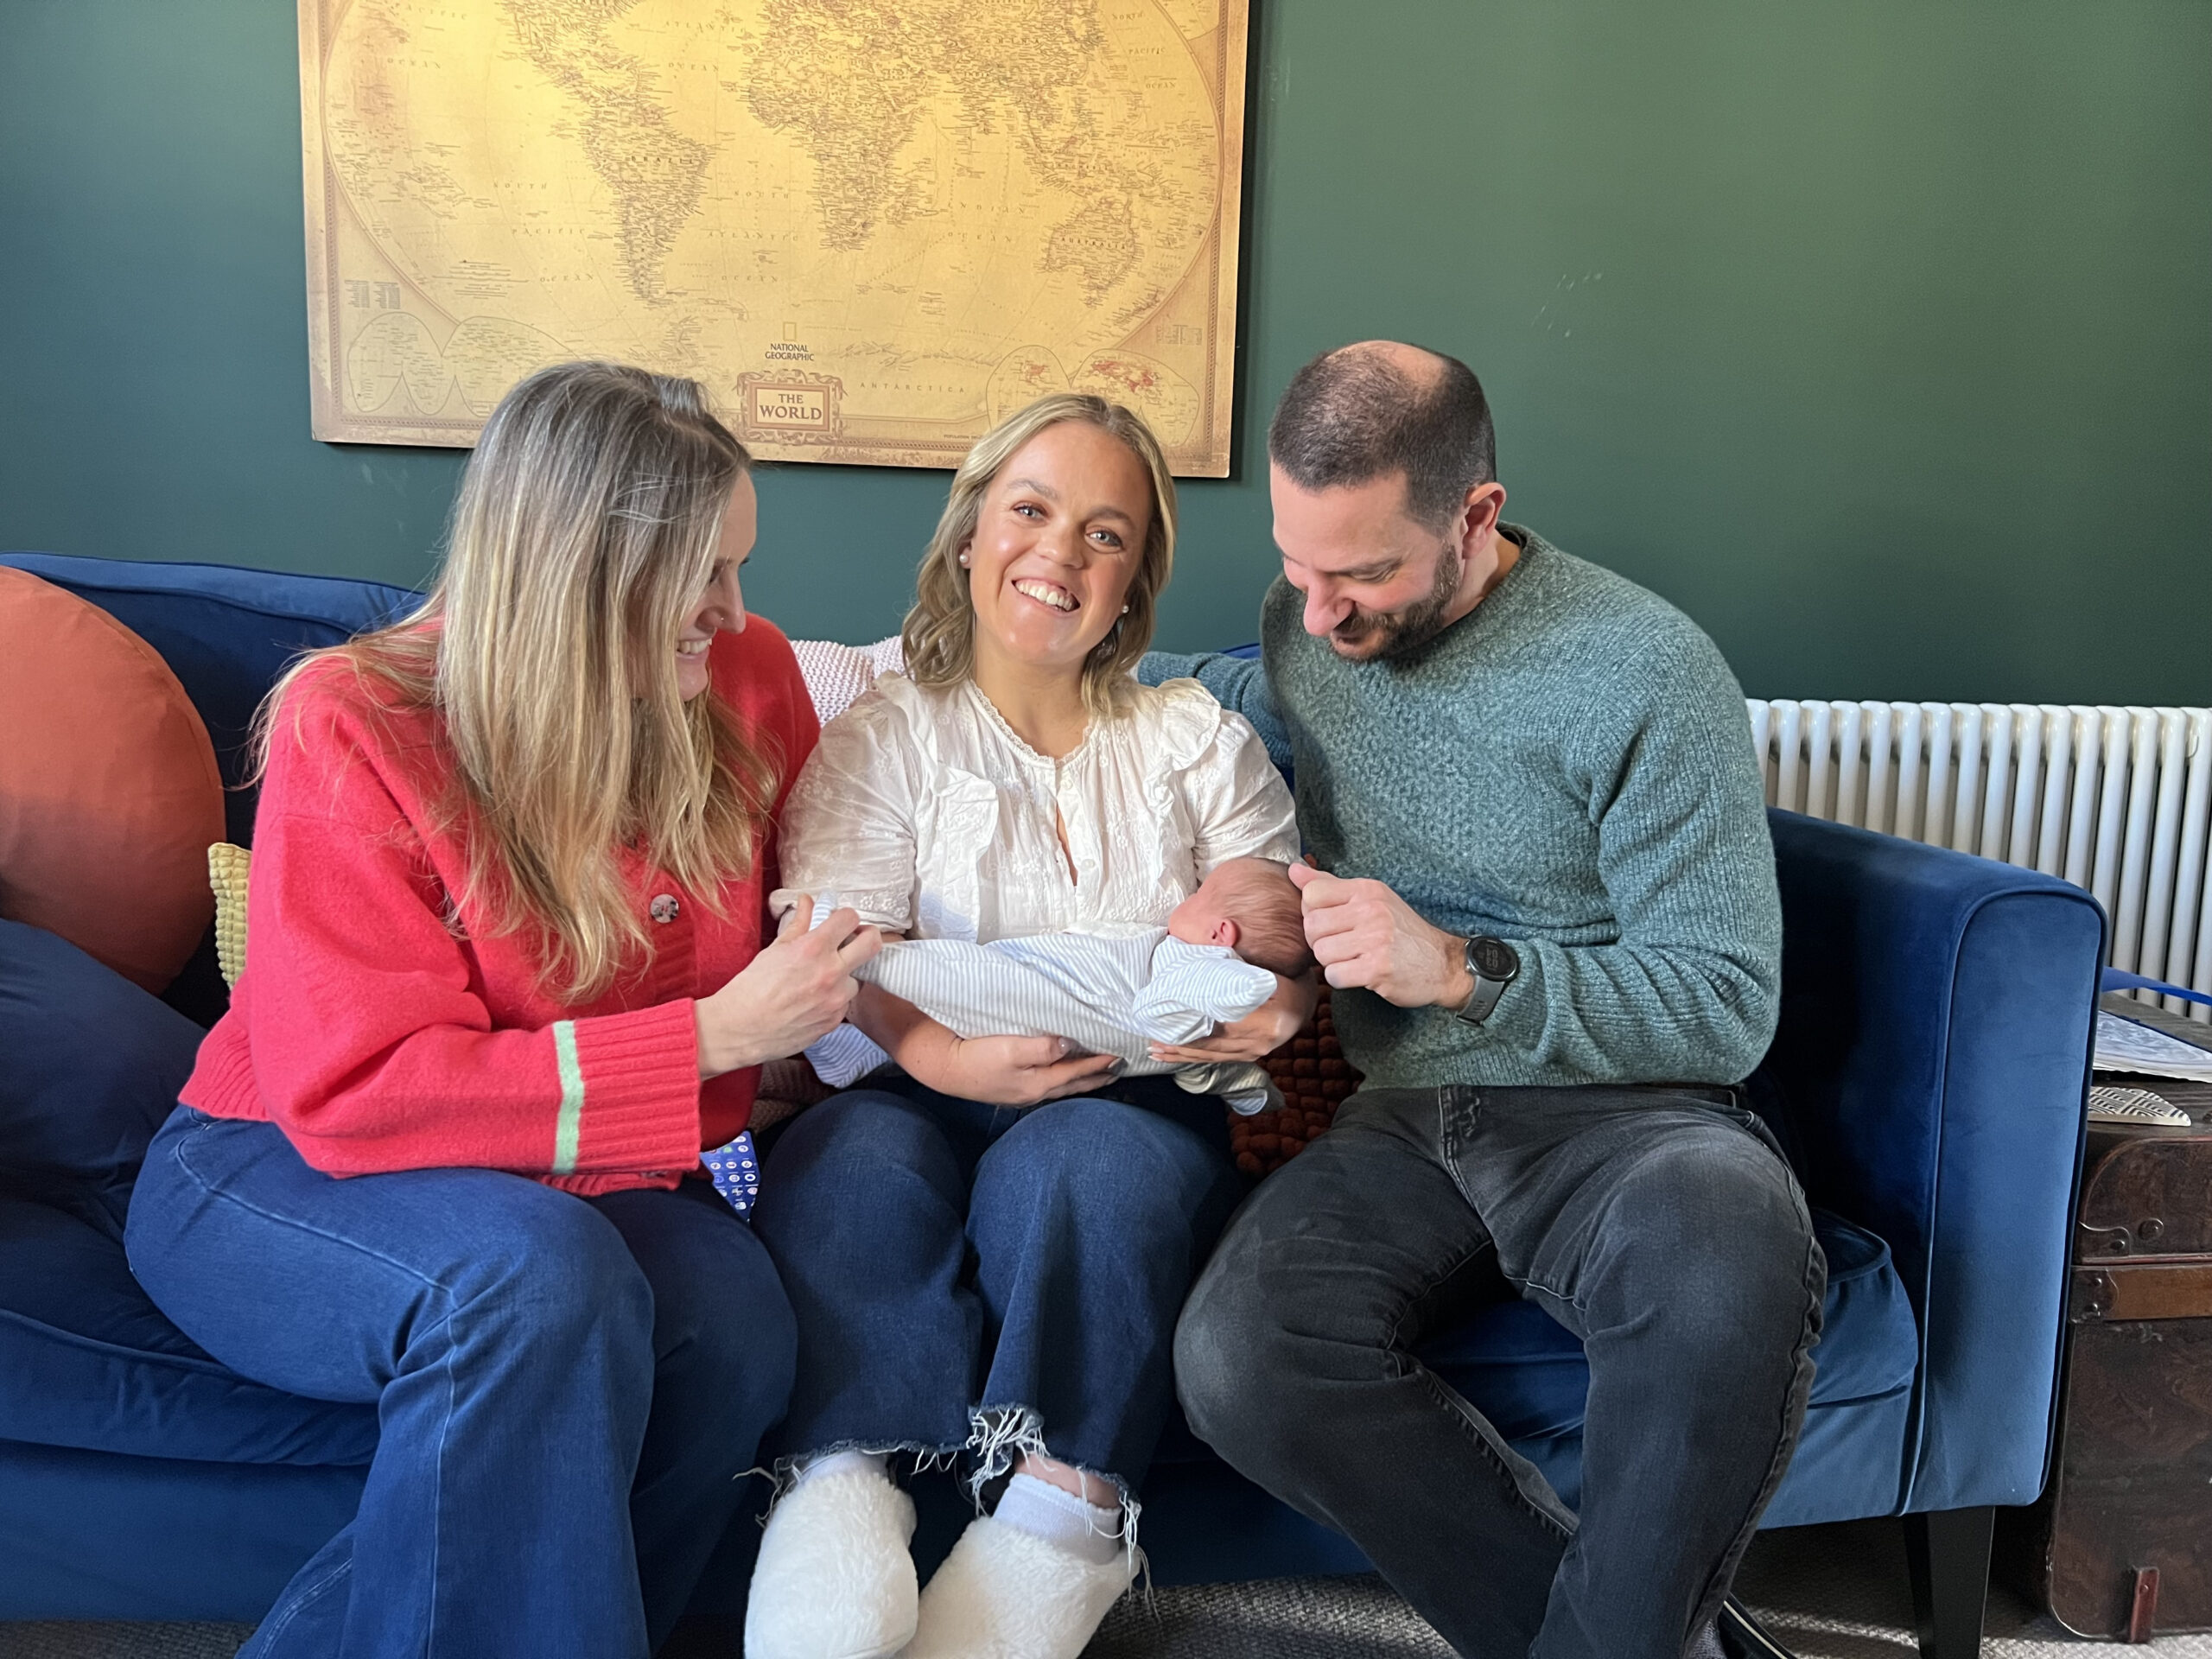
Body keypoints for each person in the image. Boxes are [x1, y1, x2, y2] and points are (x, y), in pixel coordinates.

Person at [124, 362, 879, 1658]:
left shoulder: (747, 680)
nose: (736, 612)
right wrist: (713, 1038)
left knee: (736, 1319)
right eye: (700, 576)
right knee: (534, 1284)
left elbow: (828, 909)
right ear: (579, 576)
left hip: (577, 1180)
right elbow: (360, 1092)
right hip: (280, 1161)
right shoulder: (354, 718)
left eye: (738, 566)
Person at [1147, 342, 1823, 1659]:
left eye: (1364, 574)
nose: (1323, 614)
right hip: (1408, 1115)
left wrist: (1461, 970)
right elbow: (1185, 706)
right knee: (1241, 1355)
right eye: (1298, 562)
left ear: (1475, 517)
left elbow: (1729, 1002)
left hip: (1626, 1116)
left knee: (1727, 1247)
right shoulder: (1303, 634)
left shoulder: (1648, 671)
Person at [743, 392, 1310, 1659]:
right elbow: (835, 948)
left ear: (1134, 586)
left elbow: (1278, 938)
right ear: (968, 537)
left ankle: (1060, 1517)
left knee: (1091, 1176)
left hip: (1125, 1089)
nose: (1061, 554)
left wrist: (1271, 1007)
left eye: (1107, 536)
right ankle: (840, 1491)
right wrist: (938, 1053)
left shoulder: (1196, 742)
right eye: (1032, 512)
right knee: (847, 1173)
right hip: (905, 1076)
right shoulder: (880, 737)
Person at [794, 854, 1314, 1114]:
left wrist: (1281, 1000)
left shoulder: (1194, 961)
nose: (1192, 896)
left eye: (1203, 894)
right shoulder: (887, 734)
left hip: (1072, 1036)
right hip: (914, 1071)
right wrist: (1253, 1093)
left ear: (1220, 934)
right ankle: (854, 991)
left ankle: (851, 952)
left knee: (960, 977)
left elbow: (1174, 1013)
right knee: (959, 980)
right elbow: (1229, 1079)